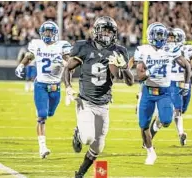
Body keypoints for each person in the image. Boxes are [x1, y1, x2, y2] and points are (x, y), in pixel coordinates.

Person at [63, 16, 134, 177]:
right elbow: (68, 69)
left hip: (103, 104)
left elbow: (129, 81)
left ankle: (80, 173)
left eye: (110, 31)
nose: (107, 34)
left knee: (98, 147)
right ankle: (78, 133)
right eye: (104, 30)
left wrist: (124, 67)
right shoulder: (84, 47)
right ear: (96, 31)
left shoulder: (119, 51)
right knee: (87, 137)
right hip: (86, 101)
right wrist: (68, 87)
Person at [134, 22, 191, 165]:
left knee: (166, 120)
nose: (160, 38)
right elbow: (139, 76)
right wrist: (149, 71)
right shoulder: (143, 50)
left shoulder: (171, 50)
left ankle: (160, 121)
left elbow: (187, 65)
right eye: (157, 35)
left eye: (162, 35)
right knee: (143, 125)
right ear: (151, 35)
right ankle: (150, 152)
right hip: (147, 91)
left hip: (164, 92)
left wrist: (186, 83)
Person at [15, 21, 71, 159]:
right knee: (42, 116)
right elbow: (29, 56)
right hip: (40, 85)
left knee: (50, 113)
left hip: (55, 87)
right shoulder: (37, 44)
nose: (48, 34)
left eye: (50, 32)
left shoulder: (62, 46)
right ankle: (42, 147)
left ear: (55, 33)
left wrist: (63, 62)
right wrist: (21, 65)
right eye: (45, 31)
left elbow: (71, 66)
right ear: (41, 32)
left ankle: (44, 112)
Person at [149, 28, 192, 146]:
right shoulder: (171, 49)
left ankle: (152, 134)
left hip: (183, 84)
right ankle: (180, 133)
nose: (170, 40)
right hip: (171, 84)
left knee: (178, 112)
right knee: (174, 113)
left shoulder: (184, 49)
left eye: (172, 38)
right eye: (169, 37)